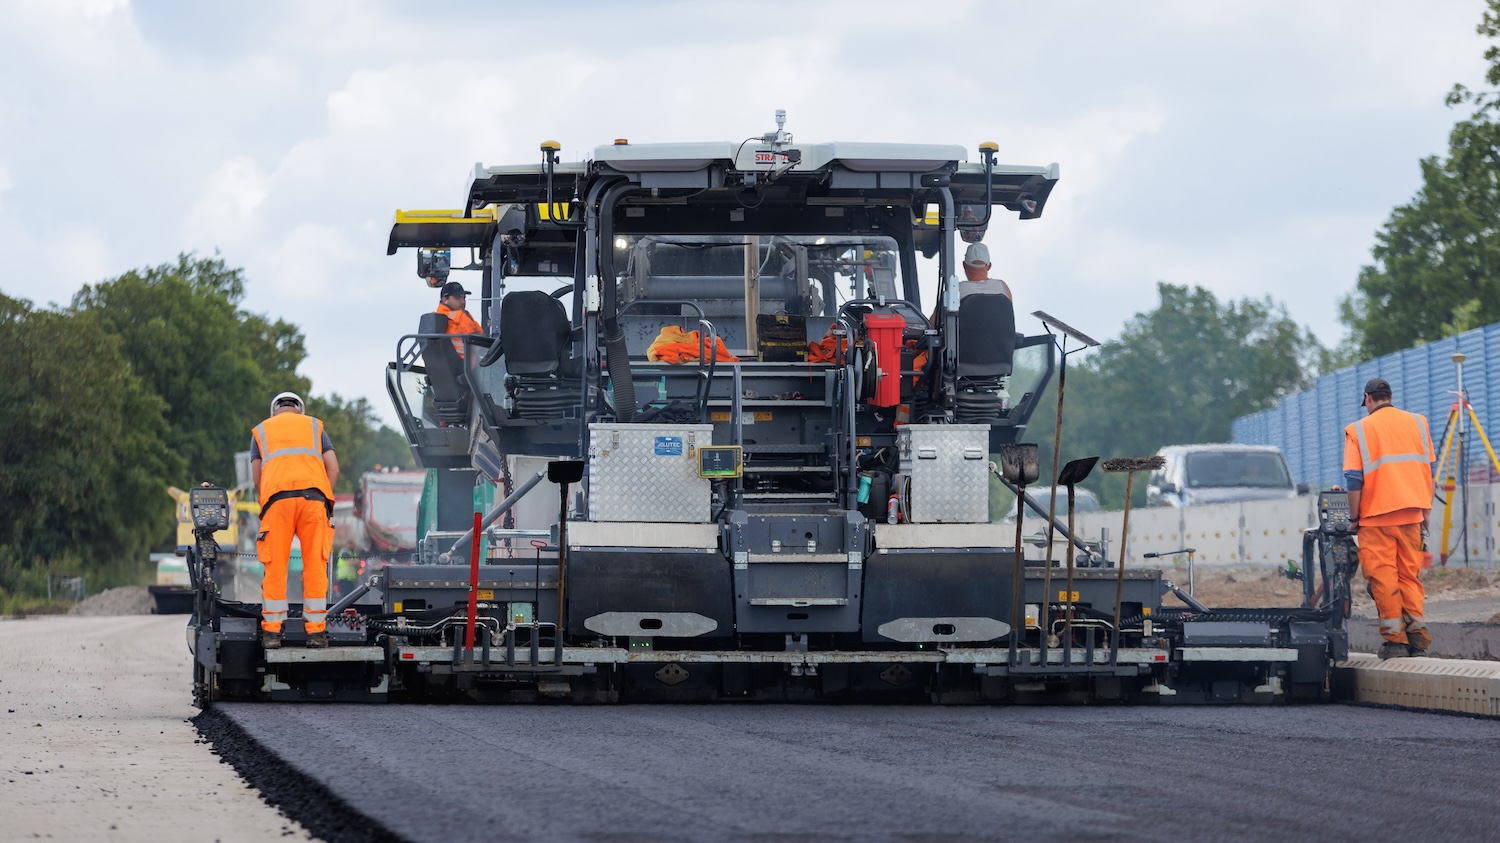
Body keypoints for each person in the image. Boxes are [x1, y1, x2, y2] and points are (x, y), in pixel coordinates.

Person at [1343, 377, 1436, 659]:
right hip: (1412, 514)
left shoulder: (1358, 430)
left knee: (1383, 579)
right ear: (1390, 396)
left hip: (1375, 519)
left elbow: (1353, 479)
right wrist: (1426, 510)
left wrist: (1354, 518)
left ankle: (1396, 642)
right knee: (1409, 575)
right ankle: (1418, 638)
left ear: (1368, 399)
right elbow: (1428, 470)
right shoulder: (1418, 423)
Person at [250, 391, 340, 649]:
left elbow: (258, 478)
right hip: (314, 501)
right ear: (299, 408)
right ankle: (315, 633)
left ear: (274, 410)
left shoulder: (262, 432)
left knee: (275, 566)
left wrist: (266, 504)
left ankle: (272, 634)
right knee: (314, 566)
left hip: (277, 502)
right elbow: (332, 468)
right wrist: (325, 501)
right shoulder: (315, 427)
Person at [435, 280, 483, 357]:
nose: (463, 302)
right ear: (445, 300)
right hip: (466, 364)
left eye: (464, 298)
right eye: (457, 298)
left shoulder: (436, 317)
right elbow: (480, 341)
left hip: (452, 364)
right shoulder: (461, 316)